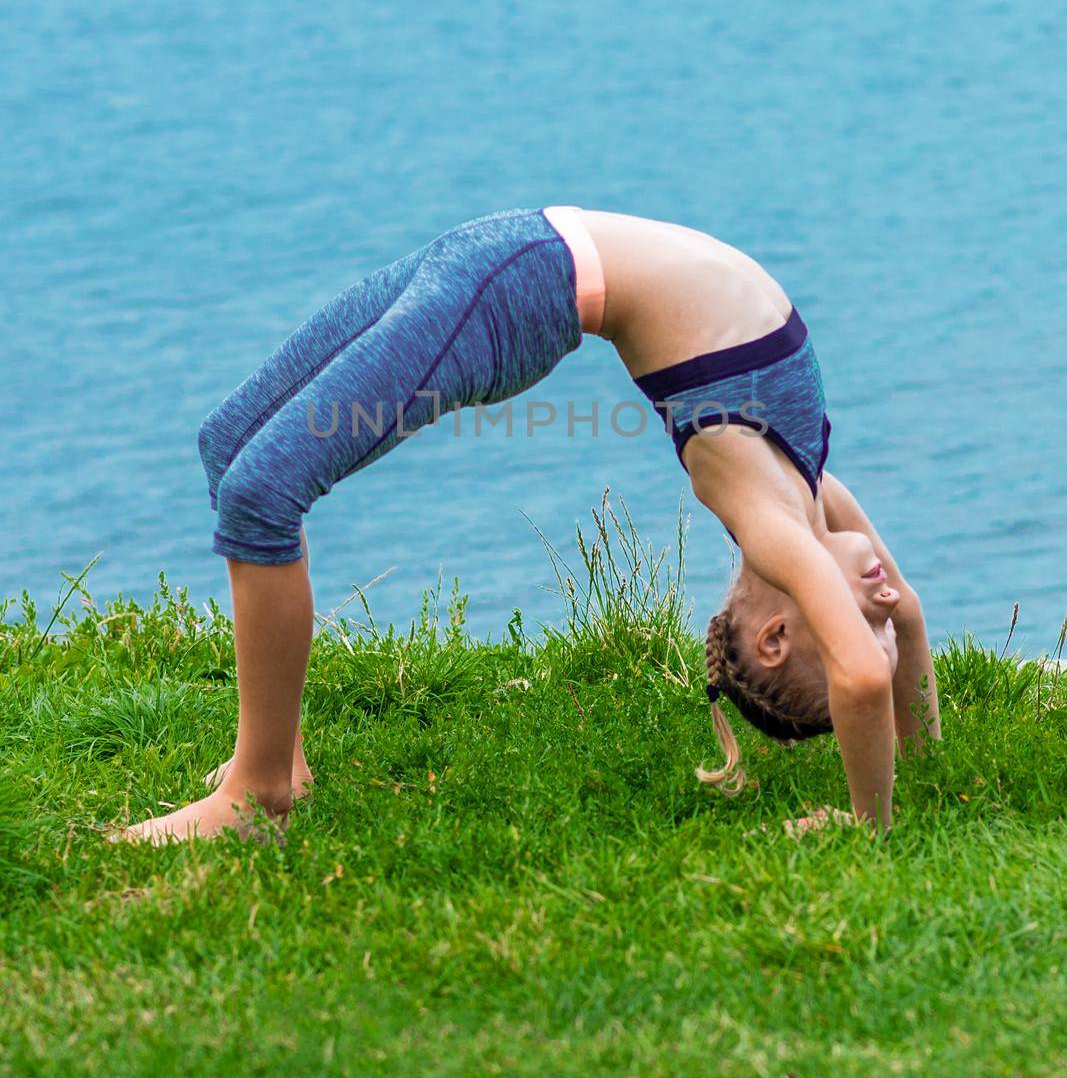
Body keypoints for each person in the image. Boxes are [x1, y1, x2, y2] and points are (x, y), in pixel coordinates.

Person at [116, 205, 940, 844]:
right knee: (230, 445)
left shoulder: (770, 526)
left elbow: (861, 676)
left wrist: (867, 827)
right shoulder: (807, 490)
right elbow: (900, 620)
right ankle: (281, 755)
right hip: (498, 251)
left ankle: (257, 793)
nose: (880, 608)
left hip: (517, 292)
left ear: (776, 636)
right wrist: (924, 758)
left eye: (858, 625)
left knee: (262, 491)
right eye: (876, 625)